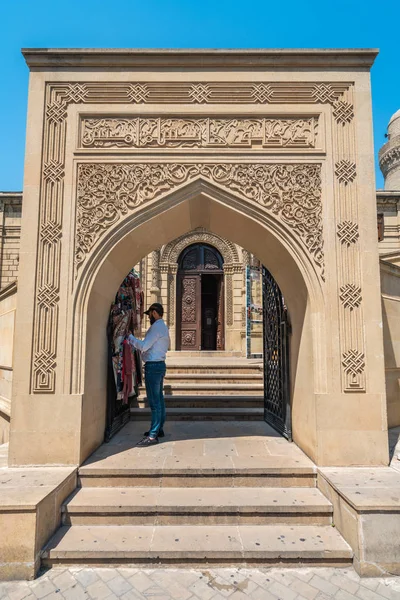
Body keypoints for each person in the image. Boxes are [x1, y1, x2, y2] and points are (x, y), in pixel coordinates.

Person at [128, 303, 170, 447]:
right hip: (159, 365)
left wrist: (130, 338)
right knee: (159, 399)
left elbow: (144, 346)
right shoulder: (163, 327)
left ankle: (153, 436)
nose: (149, 318)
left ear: (154, 313)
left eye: (149, 314)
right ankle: (159, 430)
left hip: (153, 367)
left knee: (154, 402)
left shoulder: (156, 327)